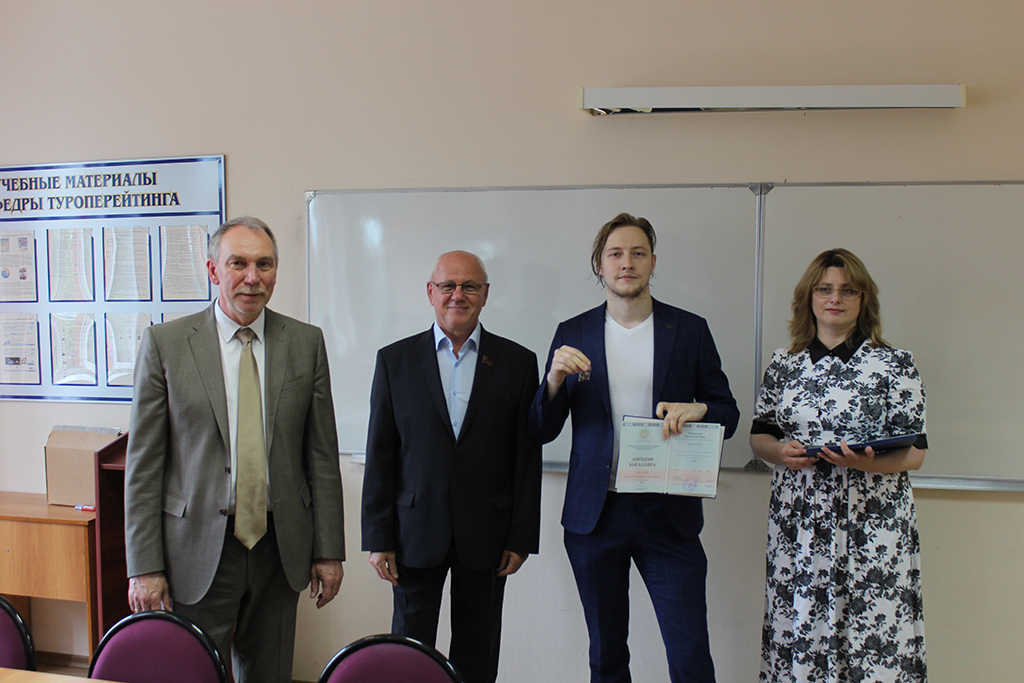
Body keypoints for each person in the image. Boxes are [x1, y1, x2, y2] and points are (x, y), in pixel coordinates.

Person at [124, 216, 346, 683]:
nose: (252, 277)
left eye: (264, 264)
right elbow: (144, 466)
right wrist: (144, 567)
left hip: (279, 548)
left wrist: (329, 551)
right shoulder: (166, 344)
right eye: (238, 263)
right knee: (192, 673)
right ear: (212, 270)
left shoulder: (305, 343)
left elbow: (322, 457)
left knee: (269, 675)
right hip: (194, 549)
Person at [529, 213, 739, 683]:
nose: (627, 263)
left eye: (638, 253)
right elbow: (541, 430)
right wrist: (554, 381)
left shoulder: (689, 329)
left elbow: (729, 414)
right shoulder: (572, 332)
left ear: (653, 263)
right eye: (616, 254)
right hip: (595, 515)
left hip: (668, 514)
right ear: (599, 265)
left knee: (689, 653)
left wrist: (700, 409)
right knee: (606, 655)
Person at [361, 250, 542, 683]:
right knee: (409, 653)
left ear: (485, 294)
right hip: (413, 535)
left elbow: (526, 457)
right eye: (448, 286)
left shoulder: (518, 363)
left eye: (470, 286)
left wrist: (521, 537)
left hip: (487, 535)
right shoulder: (394, 361)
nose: (458, 295)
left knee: (478, 651)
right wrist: (378, 538)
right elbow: (381, 453)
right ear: (431, 292)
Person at [749, 248, 927, 683]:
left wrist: (864, 464)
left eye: (848, 290)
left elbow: (916, 453)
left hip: (873, 521)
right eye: (825, 289)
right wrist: (780, 452)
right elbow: (759, 436)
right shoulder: (784, 364)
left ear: (864, 300)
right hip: (799, 520)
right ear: (808, 297)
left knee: (873, 629)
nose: (835, 298)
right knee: (802, 623)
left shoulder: (894, 363)